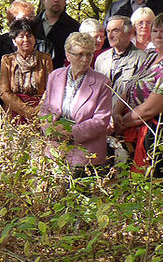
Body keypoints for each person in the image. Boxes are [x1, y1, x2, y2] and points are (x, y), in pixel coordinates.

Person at [113, 13, 163, 172]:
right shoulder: (151, 56)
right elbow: (130, 85)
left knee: (155, 185)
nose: (158, 35)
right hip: (135, 129)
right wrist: (116, 112)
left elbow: (151, 108)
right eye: (155, 30)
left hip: (161, 138)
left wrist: (122, 122)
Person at [40, 33, 114, 169]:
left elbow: (101, 121)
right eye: (80, 54)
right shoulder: (55, 76)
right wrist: (50, 129)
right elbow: (45, 109)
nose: (85, 59)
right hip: (55, 149)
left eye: (89, 54)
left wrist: (71, 133)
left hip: (86, 153)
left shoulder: (102, 82)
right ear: (68, 55)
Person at [0, 0, 36, 120]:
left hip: (36, 108)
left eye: (29, 19)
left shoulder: (42, 44)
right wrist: (7, 97)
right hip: (4, 103)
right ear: (12, 20)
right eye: (21, 19)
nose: (25, 23)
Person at [0, 19, 54, 124]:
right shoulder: (7, 61)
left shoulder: (45, 59)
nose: (26, 39)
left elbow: (50, 89)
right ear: (14, 41)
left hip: (40, 113)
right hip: (13, 112)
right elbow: (4, 92)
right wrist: (27, 111)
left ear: (35, 38)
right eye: (21, 36)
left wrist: (38, 111)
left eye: (29, 36)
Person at [95, 16, 147, 97]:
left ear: (129, 33)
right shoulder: (101, 59)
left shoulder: (142, 59)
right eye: (108, 31)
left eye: (115, 31)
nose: (110, 36)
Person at [32, 0, 79, 68]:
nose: (56, 0)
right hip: (35, 73)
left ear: (64, 2)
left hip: (60, 75)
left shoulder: (74, 27)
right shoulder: (32, 25)